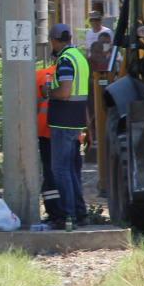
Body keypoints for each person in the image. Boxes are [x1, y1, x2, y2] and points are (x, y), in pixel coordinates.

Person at [43, 23, 90, 227]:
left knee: (60, 170)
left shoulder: (64, 60)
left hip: (63, 122)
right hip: (76, 121)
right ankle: (81, 214)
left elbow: (64, 92)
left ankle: (67, 216)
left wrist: (47, 92)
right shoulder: (80, 57)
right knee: (70, 170)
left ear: (54, 41)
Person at [35, 64, 84, 229]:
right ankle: (79, 213)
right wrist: (87, 130)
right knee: (72, 173)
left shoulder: (39, 75)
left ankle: (58, 214)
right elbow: (82, 104)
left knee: (52, 174)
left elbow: (29, 106)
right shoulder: (76, 75)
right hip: (73, 128)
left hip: (46, 130)